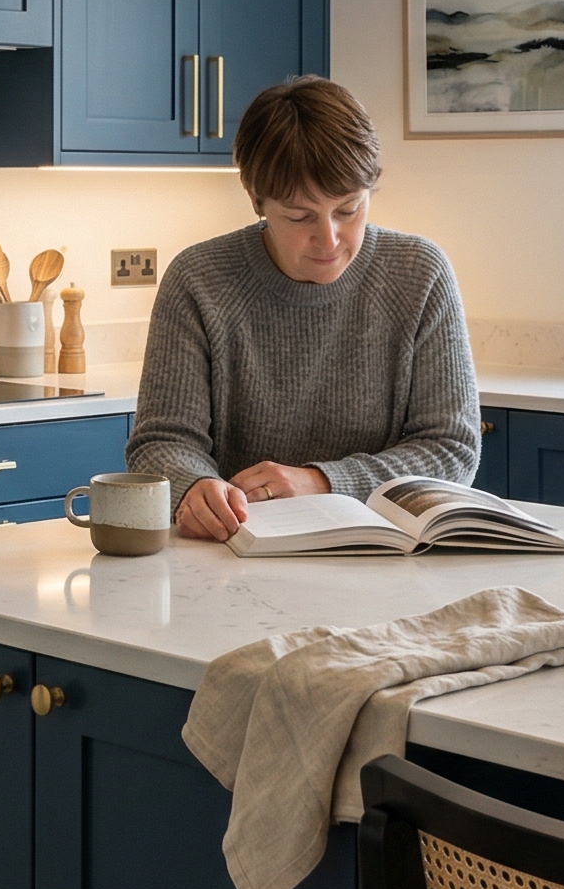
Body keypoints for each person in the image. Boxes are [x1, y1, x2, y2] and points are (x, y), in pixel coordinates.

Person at [127, 75, 479, 542]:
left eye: (348, 210)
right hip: (235, 554)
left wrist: (322, 483)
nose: (329, 239)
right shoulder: (198, 280)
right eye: (299, 216)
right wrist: (194, 487)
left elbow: (451, 448)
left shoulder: (420, 273)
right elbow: (161, 442)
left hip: (385, 556)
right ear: (257, 200)